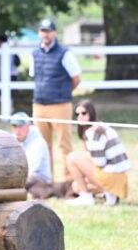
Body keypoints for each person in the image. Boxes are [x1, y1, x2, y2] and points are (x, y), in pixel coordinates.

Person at [31, 19, 81, 181]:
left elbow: (76, 79)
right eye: (43, 31)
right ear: (39, 33)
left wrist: (64, 92)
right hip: (39, 104)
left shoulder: (65, 53)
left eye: (48, 31)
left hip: (60, 104)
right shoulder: (35, 53)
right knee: (42, 146)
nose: (45, 34)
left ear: (54, 33)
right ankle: (46, 180)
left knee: (64, 144)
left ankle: (68, 181)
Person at [66, 100, 130, 206]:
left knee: (72, 158)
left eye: (84, 113)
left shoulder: (93, 132)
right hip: (120, 177)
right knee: (76, 186)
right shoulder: (99, 126)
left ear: (91, 113)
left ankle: (88, 197)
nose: (80, 116)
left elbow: (100, 163)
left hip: (113, 177)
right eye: (77, 114)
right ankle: (108, 195)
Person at [9, 112, 54, 197]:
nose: (17, 131)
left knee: (29, 178)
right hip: (24, 177)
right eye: (15, 126)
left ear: (28, 126)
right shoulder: (13, 139)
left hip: (40, 180)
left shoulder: (38, 143)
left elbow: (30, 169)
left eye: (20, 126)